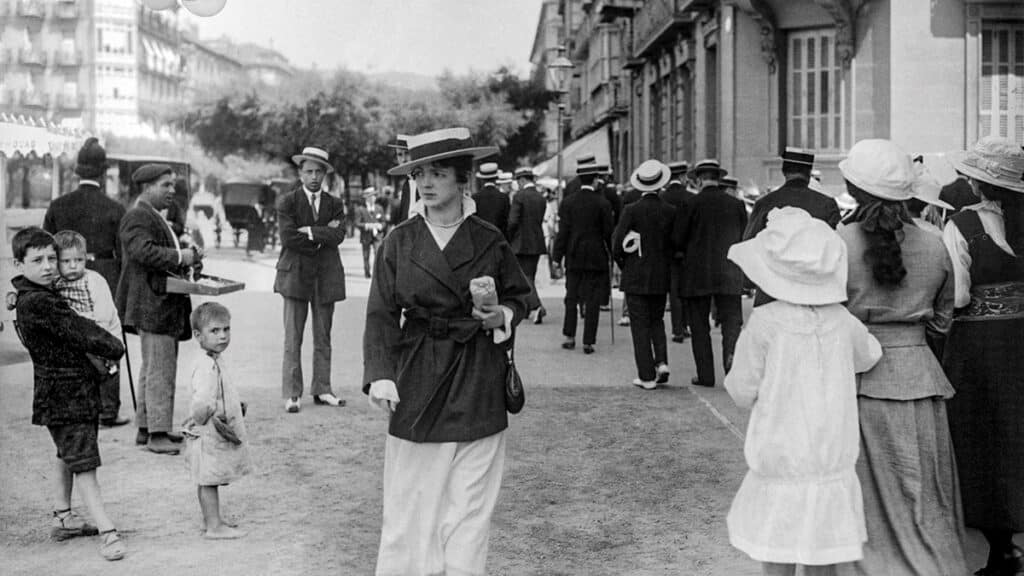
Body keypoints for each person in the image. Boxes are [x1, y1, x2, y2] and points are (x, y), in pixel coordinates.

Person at [362, 127, 531, 576]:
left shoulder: (488, 238)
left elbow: (521, 297)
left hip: (477, 375)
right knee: (410, 506)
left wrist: (502, 317)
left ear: (464, 180)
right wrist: (381, 373)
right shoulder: (399, 241)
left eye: (438, 173)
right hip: (418, 377)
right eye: (420, 174)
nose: (427, 183)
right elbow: (381, 313)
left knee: (470, 511)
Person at [724, 208, 882, 576]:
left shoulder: (765, 323)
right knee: (822, 551)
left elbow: (741, 389)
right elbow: (869, 354)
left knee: (777, 544)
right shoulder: (842, 321)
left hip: (780, 454)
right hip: (831, 456)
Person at [835, 139, 968, 576]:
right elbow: (943, 321)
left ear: (854, 190)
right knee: (923, 487)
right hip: (918, 374)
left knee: (864, 488)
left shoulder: (838, 243)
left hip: (857, 377)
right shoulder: (934, 244)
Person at [11, 227, 127, 561]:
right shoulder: (40, 302)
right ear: (19, 263)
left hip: (64, 392)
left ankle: (64, 517)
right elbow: (81, 331)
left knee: (67, 453)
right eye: (38, 260)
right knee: (84, 462)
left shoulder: (31, 294)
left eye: (52, 258)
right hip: (67, 394)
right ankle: (108, 533)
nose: (48, 266)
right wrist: (114, 345)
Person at [942, 136, 1024, 576]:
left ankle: (1001, 547)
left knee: (983, 438)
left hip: (979, 346)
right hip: (1021, 339)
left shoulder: (963, 224)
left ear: (975, 183)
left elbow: (956, 296)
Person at [42, 138, 128, 426]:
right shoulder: (116, 209)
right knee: (107, 337)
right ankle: (107, 409)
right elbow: (124, 254)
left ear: (78, 172)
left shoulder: (58, 205)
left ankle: (74, 404)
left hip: (65, 278)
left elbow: (46, 250)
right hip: (106, 274)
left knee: (70, 339)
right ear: (103, 173)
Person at [116, 164, 199, 455]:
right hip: (153, 304)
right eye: (165, 185)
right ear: (147, 187)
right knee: (161, 369)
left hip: (155, 303)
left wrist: (184, 256)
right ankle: (158, 434)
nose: (172, 191)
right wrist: (181, 255)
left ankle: (145, 428)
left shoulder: (149, 215)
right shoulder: (138, 216)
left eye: (173, 185)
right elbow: (143, 252)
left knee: (152, 368)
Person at [275, 146, 348, 413]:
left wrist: (307, 232)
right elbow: (287, 238)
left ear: (326, 173)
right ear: (300, 173)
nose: (314, 176)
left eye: (319, 171)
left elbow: (339, 235)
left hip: (325, 277)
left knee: (323, 336)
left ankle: (323, 389)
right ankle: (292, 393)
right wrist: (320, 236)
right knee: (292, 337)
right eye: (309, 171)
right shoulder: (288, 202)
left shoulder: (335, 204)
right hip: (295, 276)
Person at [673, 159, 747, 387]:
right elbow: (745, 237)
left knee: (699, 326)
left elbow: (677, 239)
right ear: (718, 178)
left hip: (698, 274)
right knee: (731, 321)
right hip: (729, 272)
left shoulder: (691, 204)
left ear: (698, 179)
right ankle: (731, 362)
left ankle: (705, 375)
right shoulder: (736, 205)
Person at [182, 302, 251, 541]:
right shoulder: (206, 364)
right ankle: (214, 526)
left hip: (211, 427)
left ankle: (213, 520)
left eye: (226, 329)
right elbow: (203, 401)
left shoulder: (214, 358)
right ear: (198, 335)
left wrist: (235, 407)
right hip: (208, 430)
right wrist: (202, 419)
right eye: (215, 331)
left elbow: (221, 391)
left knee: (207, 477)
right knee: (208, 478)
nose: (222, 336)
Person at [744, 148, 841, 308]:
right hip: (812, 296)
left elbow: (750, 248)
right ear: (809, 172)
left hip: (771, 296)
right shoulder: (826, 204)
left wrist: (747, 282)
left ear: (784, 171)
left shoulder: (765, 203)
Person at [612, 160, 676, 390]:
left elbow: (617, 244)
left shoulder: (631, 210)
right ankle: (662, 361)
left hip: (636, 275)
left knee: (639, 325)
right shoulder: (670, 211)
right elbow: (675, 243)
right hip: (661, 275)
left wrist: (625, 263)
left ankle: (646, 375)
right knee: (657, 320)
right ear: (660, 185)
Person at [52, 231, 124, 424]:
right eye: (66, 261)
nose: (73, 266)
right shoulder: (55, 283)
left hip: (102, 333)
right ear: (56, 261)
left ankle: (109, 412)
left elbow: (104, 313)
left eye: (79, 260)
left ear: (86, 258)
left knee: (109, 372)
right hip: (78, 337)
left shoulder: (94, 280)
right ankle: (87, 409)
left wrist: (97, 340)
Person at [553, 161, 615, 354]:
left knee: (571, 297)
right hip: (596, 257)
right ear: (596, 179)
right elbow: (608, 233)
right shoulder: (603, 203)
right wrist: (613, 257)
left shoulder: (568, 202)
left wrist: (557, 257)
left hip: (574, 255)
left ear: (580, 179)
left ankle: (569, 336)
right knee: (593, 300)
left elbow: (563, 232)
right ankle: (589, 341)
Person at [509, 167, 549, 324]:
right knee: (530, 274)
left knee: (524, 277)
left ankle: (536, 306)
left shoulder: (519, 196)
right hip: (537, 242)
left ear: (522, 180)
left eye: (518, 181)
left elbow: (513, 221)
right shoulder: (540, 197)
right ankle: (526, 308)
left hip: (520, 243)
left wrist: (509, 237)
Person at [660, 161, 694, 342]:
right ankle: (686, 325)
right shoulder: (690, 198)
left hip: (667, 251)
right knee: (686, 288)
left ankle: (676, 329)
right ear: (682, 177)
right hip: (688, 250)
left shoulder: (662, 197)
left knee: (673, 290)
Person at [354, 187, 386, 278]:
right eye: (371, 196)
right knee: (366, 255)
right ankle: (367, 272)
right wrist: (367, 226)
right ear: (366, 198)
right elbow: (357, 223)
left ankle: (377, 272)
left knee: (378, 253)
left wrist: (381, 226)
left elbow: (384, 221)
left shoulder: (379, 208)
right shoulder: (360, 209)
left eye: (374, 196)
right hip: (366, 235)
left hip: (377, 235)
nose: (373, 198)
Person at [472, 162, 510, 238]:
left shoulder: (475, 197)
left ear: (482, 179)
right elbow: (507, 221)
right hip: (500, 238)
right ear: (496, 178)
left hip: (481, 239)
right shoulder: (503, 197)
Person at [387, 135, 417, 227]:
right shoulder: (406, 185)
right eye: (400, 155)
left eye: (407, 153)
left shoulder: (424, 181)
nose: (403, 159)